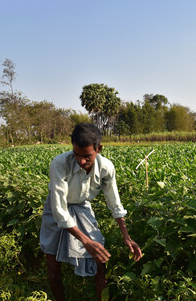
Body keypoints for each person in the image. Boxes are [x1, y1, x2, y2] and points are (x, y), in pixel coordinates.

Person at [40, 123, 142, 300]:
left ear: (99, 148)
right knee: (53, 270)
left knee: (100, 263)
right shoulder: (60, 163)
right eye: (76, 154)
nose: (81, 161)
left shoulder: (106, 168)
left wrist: (126, 237)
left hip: (82, 207)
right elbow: (59, 210)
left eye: (87, 156)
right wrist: (85, 241)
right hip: (55, 211)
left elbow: (115, 203)